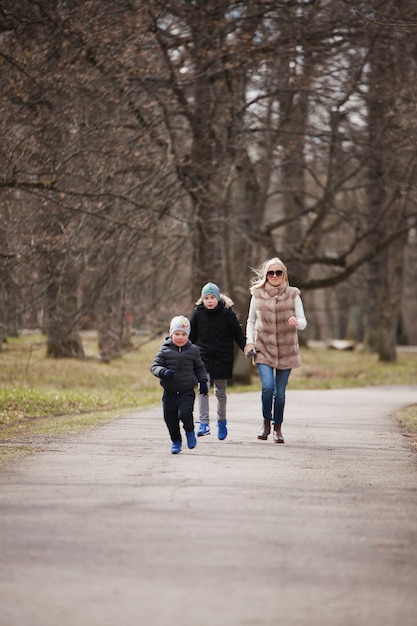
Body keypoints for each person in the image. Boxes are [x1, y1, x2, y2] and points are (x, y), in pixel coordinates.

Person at [244, 258, 307, 443]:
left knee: (280, 393)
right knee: (267, 387)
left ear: (284, 274)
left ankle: (278, 428)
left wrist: (298, 323)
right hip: (263, 348)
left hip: (287, 350)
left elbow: (303, 321)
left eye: (278, 273)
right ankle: (266, 422)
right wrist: (250, 342)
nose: (274, 276)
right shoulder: (257, 295)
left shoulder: (293, 294)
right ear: (266, 275)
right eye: (271, 273)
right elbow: (251, 321)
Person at [189, 282, 246, 440]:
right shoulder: (198, 314)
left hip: (222, 357)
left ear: (218, 298)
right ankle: (204, 423)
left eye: (212, 297)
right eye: (206, 298)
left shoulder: (227, 314)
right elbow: (191, 337)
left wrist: (247, 348)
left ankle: (221, 421)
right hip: (203, 357)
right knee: (203, 387)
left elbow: (238, 335)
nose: (209, 301)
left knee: (220, 392)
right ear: (202, 299)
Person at [150, 315, 208, 454]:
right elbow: (154, 366)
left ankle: (189, 431)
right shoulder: (164, 350)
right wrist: (163, 372)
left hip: (187, 391)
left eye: (183, 334)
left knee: (185, 414)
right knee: (170, 419)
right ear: (171, 334)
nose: (180, 337)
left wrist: (203, 382)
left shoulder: (193, 350)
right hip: (169, 392)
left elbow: (199, 368)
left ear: (187, 335)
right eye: (177, 334)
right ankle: (176, 441)